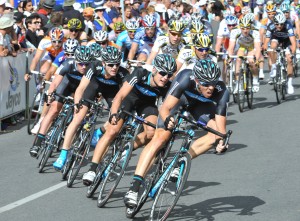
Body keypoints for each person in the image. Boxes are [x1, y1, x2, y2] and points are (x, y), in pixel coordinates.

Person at [124, 59, 229, 207]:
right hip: (179, 101)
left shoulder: (221, 90)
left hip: (200, 107)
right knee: (161, 137)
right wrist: (167, 120)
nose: (210, 88)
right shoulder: (186, 77)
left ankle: (180, 162)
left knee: (216, 135)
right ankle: (134, 188)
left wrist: (221, 142)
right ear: (197, 80)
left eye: (213, 83)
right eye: (205, 84)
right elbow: (165, 108)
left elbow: (221, 128)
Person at [82, 54, 177, 185]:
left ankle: (127, 148)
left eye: (169, 75)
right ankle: (92, 169)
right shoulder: (140, 73)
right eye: (162, 73)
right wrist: (114, 114)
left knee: (151, 132)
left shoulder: (167, 86)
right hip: (129, 99)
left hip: (147, 104)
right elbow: (120, 96)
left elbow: (166, 107)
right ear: (154, 70)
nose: (165, 78)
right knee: (112, 130)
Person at [52, 46, 130, 170]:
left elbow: (124, 96)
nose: (114, 67)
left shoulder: (122, 73)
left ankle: (99, 132)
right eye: (110, 65)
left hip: (111, 92)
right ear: (103, 63)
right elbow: (81, 88)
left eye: (117, 64)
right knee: (78, 118)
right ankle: (63, 155)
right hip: (93, 87)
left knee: (116, 118)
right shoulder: (94, 66)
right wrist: (77, 103)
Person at [29, 46, 93, 157]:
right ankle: (38, 143)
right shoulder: (68, 63)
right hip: (66, 85)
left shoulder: (92, 69)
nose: (84, 67)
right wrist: (50, 94)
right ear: (76, 60)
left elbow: (94, 90)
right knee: (53, 109)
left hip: (80, 89)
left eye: (86, 64)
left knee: (77, 116)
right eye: (81, 64)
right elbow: (54, 83)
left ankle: (67, 144)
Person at [30, 39, 79, 135]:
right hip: (63, 79)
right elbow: (51, 70)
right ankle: (41, 120)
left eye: (72, 54)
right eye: (67, 54)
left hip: (76, 82)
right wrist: (45, 82)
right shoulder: (61, 55)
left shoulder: (81, 58)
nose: (69, 57)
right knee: (50, 96)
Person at [263, 12, 296, 94]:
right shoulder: (270, 26)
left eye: (281, 24)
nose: (279, 26)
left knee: (289, 60)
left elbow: (293, 42)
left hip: (286, 41)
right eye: (277, 24)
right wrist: (266, 50)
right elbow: (266, 42)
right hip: (276, 39)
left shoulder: (288, 26)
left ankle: (289, 83)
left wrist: (292, 53)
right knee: (272, 47)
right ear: (274, 23)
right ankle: (274, 67)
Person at [228, 16, 261, 93]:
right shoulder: (235, 31)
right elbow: (231, 47)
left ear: (250, 27)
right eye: (243, 28)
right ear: (240, 27)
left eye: (247, 28)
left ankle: (255, 80)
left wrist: (257, 58)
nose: (245, 31)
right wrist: (230, 56)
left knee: (251, 61)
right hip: (242, 46)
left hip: (251, 47)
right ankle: (238, 83)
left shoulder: (255, 32)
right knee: (238, 59)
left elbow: (258, 48)